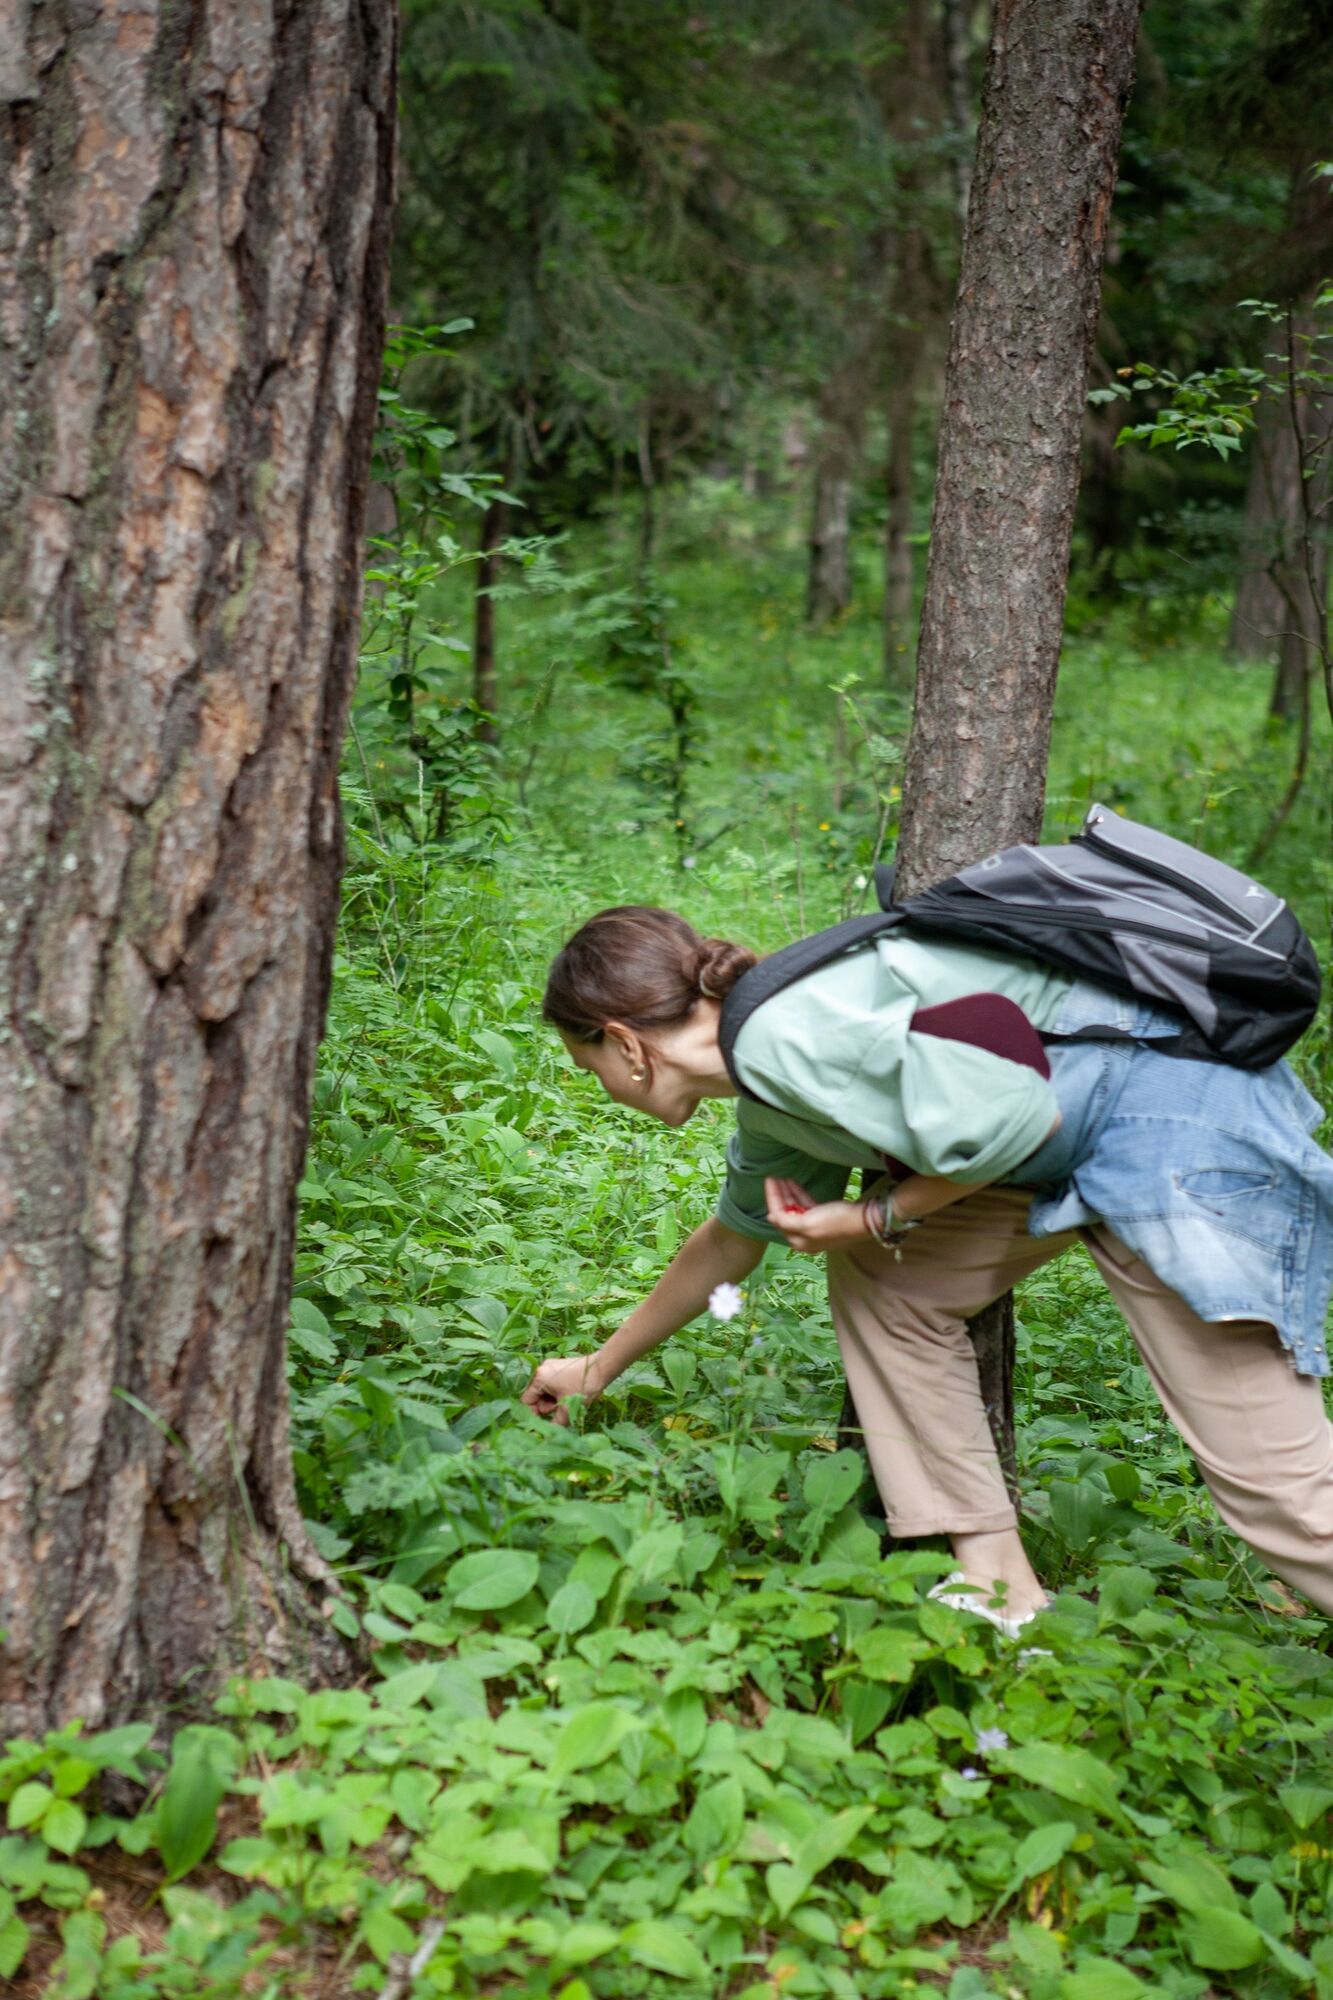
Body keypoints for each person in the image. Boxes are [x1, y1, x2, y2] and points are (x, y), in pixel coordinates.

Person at [524, 904, 1333, 1629]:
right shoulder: (766, 1086)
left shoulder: (785, 1037)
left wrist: (874, 1214)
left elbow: (1025, 1118)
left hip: (1176, 1121)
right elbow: (733, 1242)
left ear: (624, 1043)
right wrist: (596, 1368)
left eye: (586, 1066)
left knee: (1277, 1490)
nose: (597, 1087)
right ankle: (999, 1589)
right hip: (1072, 1140)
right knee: (890, 1281)